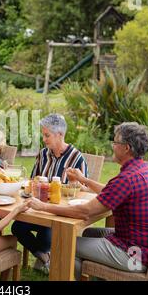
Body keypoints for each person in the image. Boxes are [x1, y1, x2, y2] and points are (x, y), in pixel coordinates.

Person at [28, 122, 148, 280]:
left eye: (115, 142)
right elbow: (111, 190)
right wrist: (83, 179)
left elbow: (85, 211)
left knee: (63, 244)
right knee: (88, 232)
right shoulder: (144, 171)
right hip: (144, 248)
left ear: (126, 148)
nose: (112, 146)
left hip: (133, 255)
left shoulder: (127, 179)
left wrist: (43, 207)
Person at [11, 113, 88, 273]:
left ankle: (44, 256)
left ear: (60, 135)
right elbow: (32, 180)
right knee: (17, 226)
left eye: (47, 135)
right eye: (43, 135)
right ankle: (45, 258)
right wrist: (35, 183)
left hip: (59, 213)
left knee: (47, 232)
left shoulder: (77, 158)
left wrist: (77, 185)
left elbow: (84, 192)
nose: (44, 139)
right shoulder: (43, 154)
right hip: (37, 208)